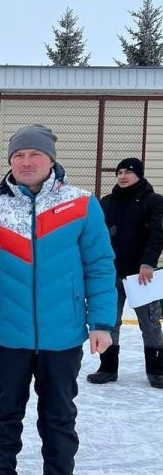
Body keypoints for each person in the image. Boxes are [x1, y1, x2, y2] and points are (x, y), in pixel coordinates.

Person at [0, 124, 116, 475]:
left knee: (59, 416)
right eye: (18, 156)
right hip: (8, 335)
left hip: (63, 337)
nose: (26, 162)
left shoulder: (80, 204)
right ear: (10, 161)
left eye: (35, 155)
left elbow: (99, 265)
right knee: (4, 412)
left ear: (50, 160)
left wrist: (102, 322)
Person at [87, 157, 163, 388]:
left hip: (142, 275)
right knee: (110, 322)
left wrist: (148, 263)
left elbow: (157, 235)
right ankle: (108, 368)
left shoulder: (154, 201)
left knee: (150, 323)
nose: (122, 176)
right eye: (119, 172)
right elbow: (96, 236)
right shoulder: (107, 202)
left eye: (128, 172)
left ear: (138, 175)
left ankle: (157, 371)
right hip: (110, 273)